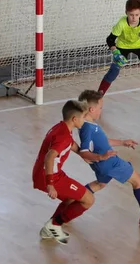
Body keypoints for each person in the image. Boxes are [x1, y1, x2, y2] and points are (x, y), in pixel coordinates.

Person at [77, 90, 140, 227]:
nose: (101, 111)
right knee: (138, 180)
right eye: (100, 108)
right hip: (110, 162)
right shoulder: (87, 128)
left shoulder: (88, 125)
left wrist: (122, 142)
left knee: (100, 184)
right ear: (91, 109)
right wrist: (101, 156)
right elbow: (84, 151)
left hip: (102, 165)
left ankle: (72, 199)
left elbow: (103, 142)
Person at [32, 100, 111, 245]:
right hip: (50, 177)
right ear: (75, 119)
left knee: (71, 198)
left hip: (46, 173)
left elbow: (71, 144)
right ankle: (54, 225)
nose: (84, 120)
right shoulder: (63, 137)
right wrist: (50, 184)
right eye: (83, 117)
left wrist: (83, 155)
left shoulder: (61, 128)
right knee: (88, 199)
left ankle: (50, 228)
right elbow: (50, 157)